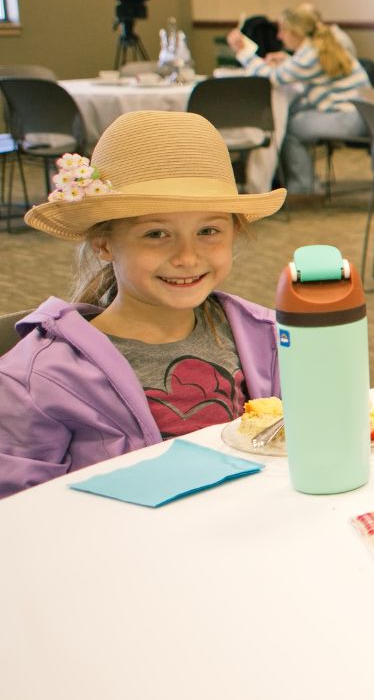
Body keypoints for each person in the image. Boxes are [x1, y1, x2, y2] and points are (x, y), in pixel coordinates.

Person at [0, 112, 285, 498]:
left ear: (234, 232)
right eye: (156, 234)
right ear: (103, 244)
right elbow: (17, 509)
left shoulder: (268, 338)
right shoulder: (40, 376)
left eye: (208, 231)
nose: (187, 257)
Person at [225, 3, 371, 199]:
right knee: (294, 119)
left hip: (349, 118)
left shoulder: (311, 54)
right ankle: (306, 182)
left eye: (283, 31)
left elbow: (273, 77)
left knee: (290, 128)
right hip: (360, 113)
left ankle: (303, 188)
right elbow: (303, 69)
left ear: (295, 32)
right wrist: (286, 59)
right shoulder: (319, 45)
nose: (279, 36)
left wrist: (243, 52)